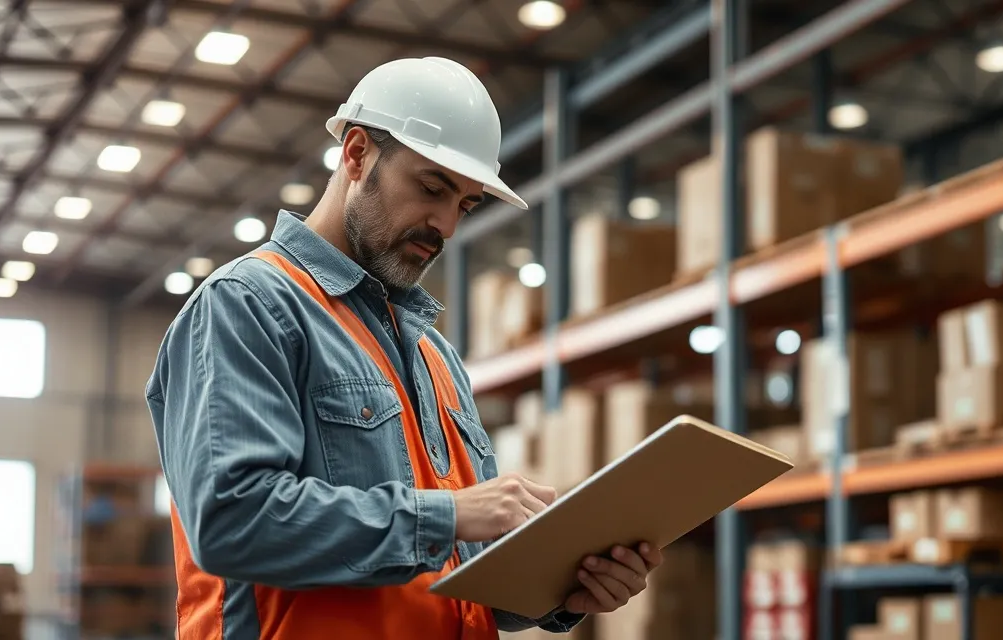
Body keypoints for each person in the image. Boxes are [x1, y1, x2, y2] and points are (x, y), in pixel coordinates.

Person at [145, 56, 661, 639]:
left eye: (465, 204)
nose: (445, 224)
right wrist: (449, 515)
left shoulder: (434, 356)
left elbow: (455, 579)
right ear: (357, 153)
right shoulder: (250, 306)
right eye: (431, 188)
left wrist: (564, 592)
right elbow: (232, 522)